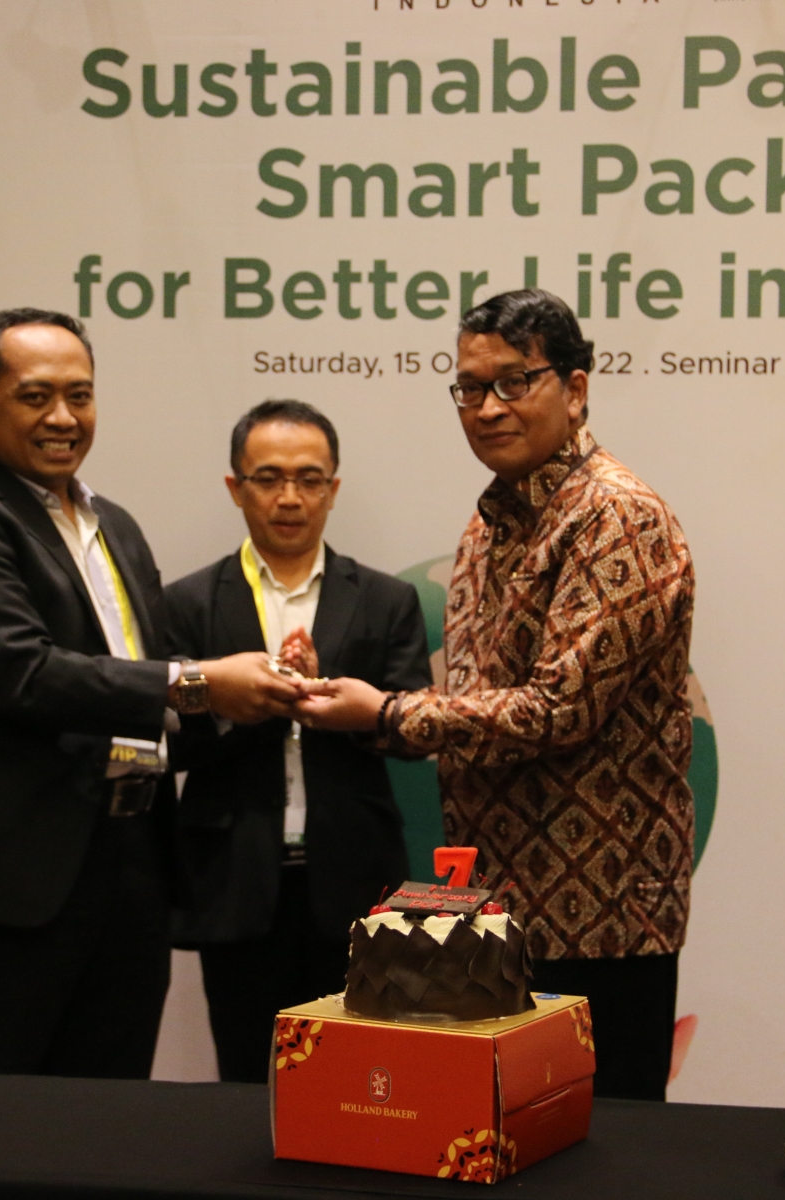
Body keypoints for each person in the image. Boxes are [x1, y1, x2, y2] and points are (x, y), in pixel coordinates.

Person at [297, 290, 697, 1101]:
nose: (487, 408)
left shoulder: (616, 515)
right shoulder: (489, 523)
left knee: (610, 1145)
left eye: (515, 382)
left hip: (602, 919)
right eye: (470, 388)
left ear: (575, 389)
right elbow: (477, 705)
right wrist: (351, 701)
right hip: (498, 917)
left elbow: (556, 709)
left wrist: (386, 711)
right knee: (502, 1135)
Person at [0, 308, 305, 1079]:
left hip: (128, 868)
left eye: (79, 396)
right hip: (9, 883)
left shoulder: (112, 523)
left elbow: (138, 681)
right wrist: (200, 682)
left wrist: (254, 700)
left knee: (111, 1110)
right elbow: (22, 673)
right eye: (35, 396)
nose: (63, 417)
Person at [165, 399, 431, 1082]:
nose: (290, 498)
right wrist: (236, 705)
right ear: (236, 487)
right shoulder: (187, 602)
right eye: (269, 478)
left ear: (333, 489)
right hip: (235, 878)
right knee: (245, 1078)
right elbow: (169, 744)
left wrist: (338, 706)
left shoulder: (384, 600)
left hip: (354, 877)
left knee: (361, 1080)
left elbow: (413, 733)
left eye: (310, 479)